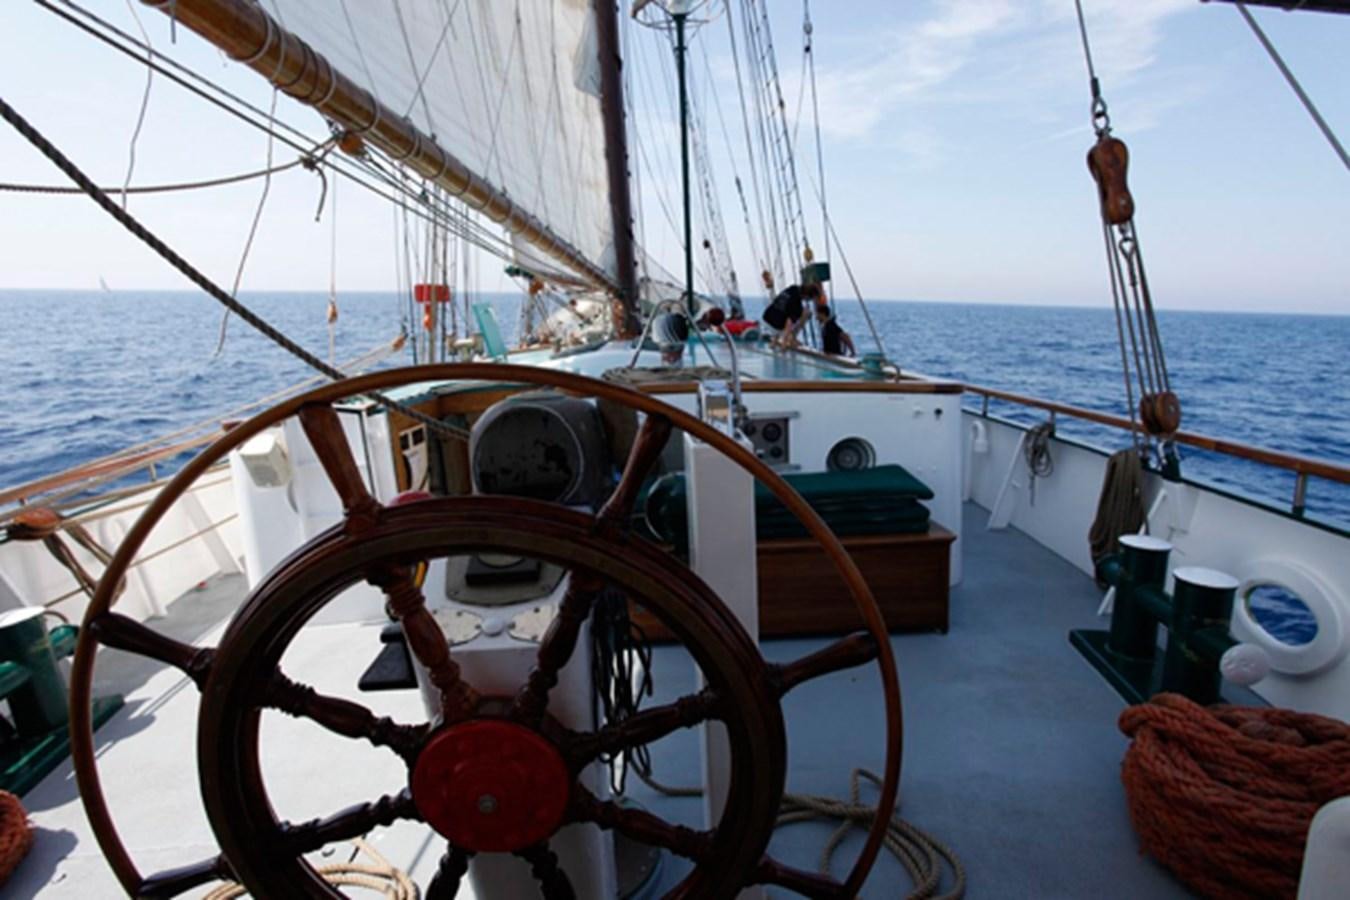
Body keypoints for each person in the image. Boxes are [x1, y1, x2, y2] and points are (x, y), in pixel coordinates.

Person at [761, 283, 822, 347]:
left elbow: (782, 305)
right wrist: (784, 342)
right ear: (807, 296)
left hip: (766, 318)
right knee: (807, 313)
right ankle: (792, 338)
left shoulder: (793, 288)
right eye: (810, 299)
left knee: (783, 312)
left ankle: (775, 340)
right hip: (775, 326)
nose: (809, 301)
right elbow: (789, 323)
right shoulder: (797, 306)